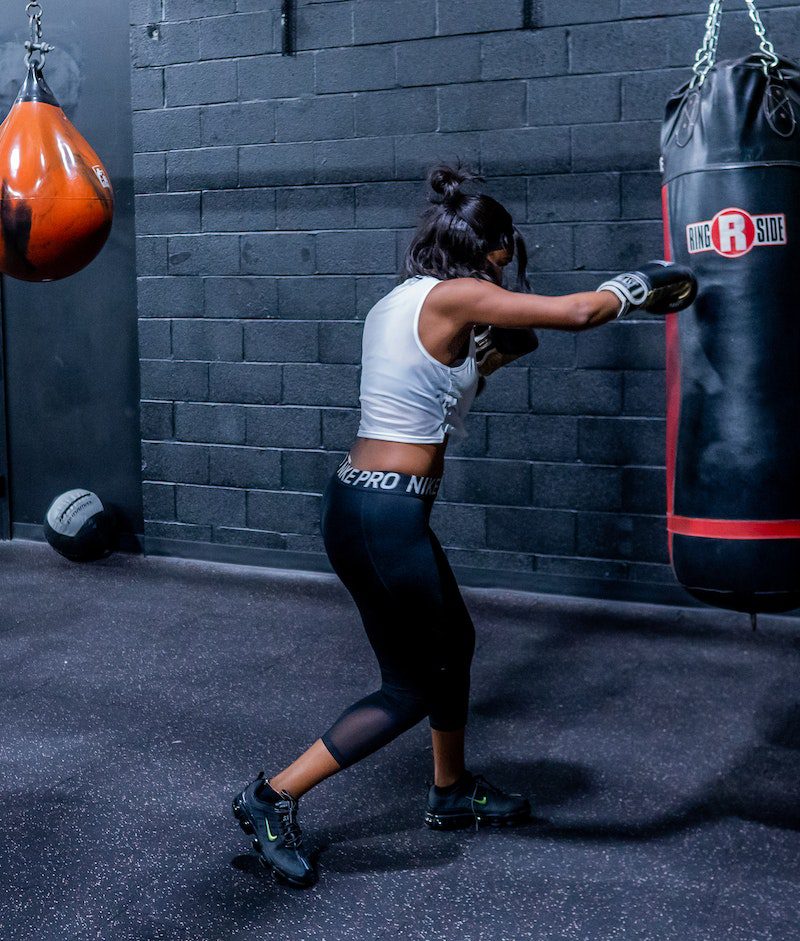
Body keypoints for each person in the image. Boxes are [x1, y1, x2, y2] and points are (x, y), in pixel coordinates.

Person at [231, 164, 697, 888]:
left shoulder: (401, 303)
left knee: (457, 642)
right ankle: (271, 797)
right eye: (508, 251)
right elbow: (576, 314)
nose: (510, 265)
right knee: (410, 687)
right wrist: (636, 285)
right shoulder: (458, 294)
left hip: (362, 504)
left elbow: (430, 389)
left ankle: (449, 792)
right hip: (386, 516)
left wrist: (485, 361)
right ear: (493, 248)